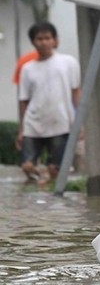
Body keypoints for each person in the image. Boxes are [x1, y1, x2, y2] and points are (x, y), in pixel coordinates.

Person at [16, 22, 81, 182]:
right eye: (39, 39)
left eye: (47, 38)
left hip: (60, 123)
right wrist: (22, 129)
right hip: (33, 125)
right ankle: (36, 183)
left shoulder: (68, 63)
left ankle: (50, 189)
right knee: (27, 166)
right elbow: (23, 100)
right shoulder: (27, 69)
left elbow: (76, 93)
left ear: (55, 40)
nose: (44, 42)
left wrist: (79, 122)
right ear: (33, 42)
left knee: (55, 170)